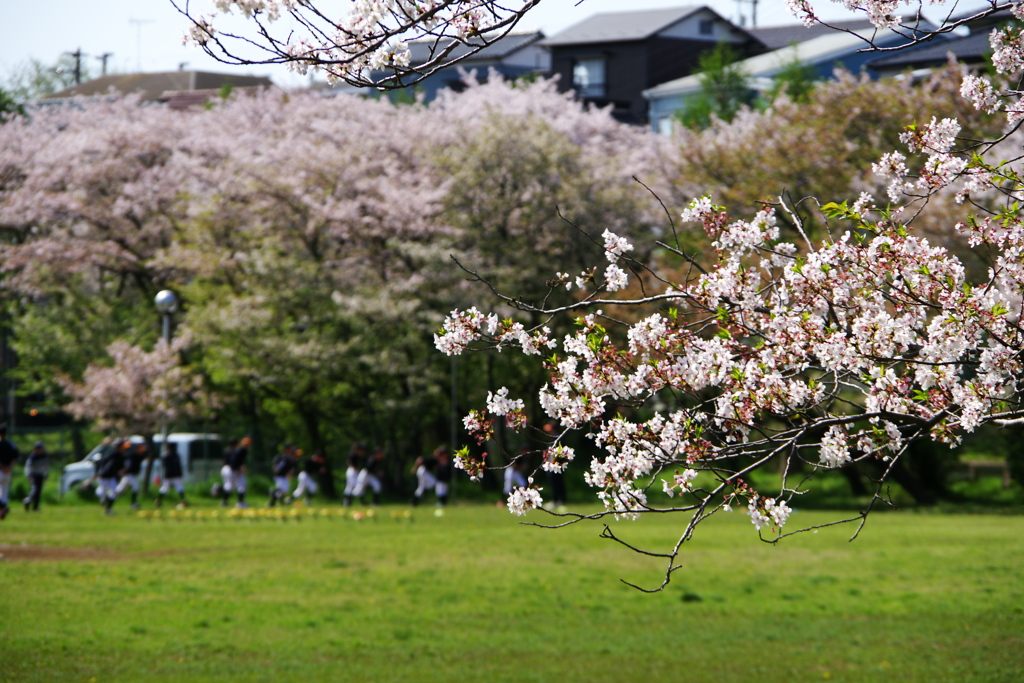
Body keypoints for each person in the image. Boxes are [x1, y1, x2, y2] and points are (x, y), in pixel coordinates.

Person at [96, 440, 129, 516]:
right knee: (102, 492)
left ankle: (108, 509)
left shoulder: (121, 456)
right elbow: (103, 462)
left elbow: (121, 467)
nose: (124, 449)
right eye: (123, 447)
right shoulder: (114, 455)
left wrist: (122, 471)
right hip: (105, 476)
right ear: (118, 448)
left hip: (111, 477)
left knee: (114, 492)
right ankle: (104, 499)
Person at [155, 442, 188, 509]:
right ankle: (183, 500)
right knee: (178, 487)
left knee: (165, 487)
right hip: (174, 474)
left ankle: (159, 500)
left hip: (168, 474)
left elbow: (164, 466)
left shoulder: (165, 455)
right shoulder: (175, 455)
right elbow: (178, 466)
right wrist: (180, 474)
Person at [117, 442, 148, 510]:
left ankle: (107, 498)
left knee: (120, 489)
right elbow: (128, 465)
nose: (142, 451)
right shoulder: (132, 456)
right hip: (128, 474)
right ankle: (133, 504)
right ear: (137, 449)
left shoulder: (140, 456)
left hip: (130, 474)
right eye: (141, 449)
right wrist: (124, 471)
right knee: (136, 486)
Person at [222, 435, 251, 508]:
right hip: (233, 469)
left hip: (226, 468)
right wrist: (239, 469)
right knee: (241, 485)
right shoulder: (240, 450)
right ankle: (240, 503)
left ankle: (224, 502)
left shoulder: (227, 450)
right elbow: (234, 462)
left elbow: (225, 461)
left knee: (229, 486)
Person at [22, 441, 49, 512]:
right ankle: (27, 500)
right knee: (35, 490)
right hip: (33, 475)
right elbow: (28, 467)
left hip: (41, 475)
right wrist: (28, 476)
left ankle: (35, 507)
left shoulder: (44, 456)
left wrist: (46, 474)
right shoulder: (32, 457)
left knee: (39, 491)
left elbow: (46, 466)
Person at [0, 424, 19, 521]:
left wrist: (2, 467)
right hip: (8, 471)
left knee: (2, 492)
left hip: (1, 470)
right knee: (4, 492)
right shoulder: (11, 444)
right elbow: (16, 458)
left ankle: (3, 507)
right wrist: (9, 467)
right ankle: (2, 511)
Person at [217, 438, 238, 506]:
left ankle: (224, 499)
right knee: (230, 486)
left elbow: (223, 460)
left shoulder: (225, 450)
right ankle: (219, 489)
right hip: (230, 469)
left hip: (224, 468)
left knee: (228, 485)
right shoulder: (234, 451)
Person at [343, 442, 364, 507]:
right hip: (352, 471)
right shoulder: (353, 454)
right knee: (352, 486)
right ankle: (347, 501)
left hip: (353, 471)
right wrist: (355, 468)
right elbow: (349, 462)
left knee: (353, 486)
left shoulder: (356, 455)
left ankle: (348, 501)